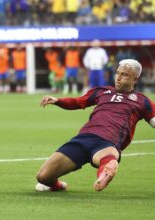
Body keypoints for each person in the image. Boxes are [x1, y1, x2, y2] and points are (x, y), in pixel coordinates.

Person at [35, 59, 155, 192]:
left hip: (108, 141)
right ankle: (58, 186)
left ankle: (106, 173)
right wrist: (58, 100)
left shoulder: (142, 101)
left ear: (135, 79)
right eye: (118, 73)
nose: (119, 78)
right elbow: (78, 102)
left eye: (125, 75)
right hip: (83, 139)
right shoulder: (101, 91)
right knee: (43, 177)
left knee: (107, 159)